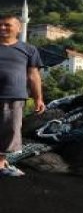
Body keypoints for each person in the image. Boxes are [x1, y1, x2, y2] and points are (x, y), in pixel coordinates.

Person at [0, 15, 45, 177]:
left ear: (19, 28)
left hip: (14, 96)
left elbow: (34, 76)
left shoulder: (29, 49)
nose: (2, 28)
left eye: (7, 25)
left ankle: (1, 163)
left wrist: (38, 98)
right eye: (0, 25)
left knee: (10, 129)